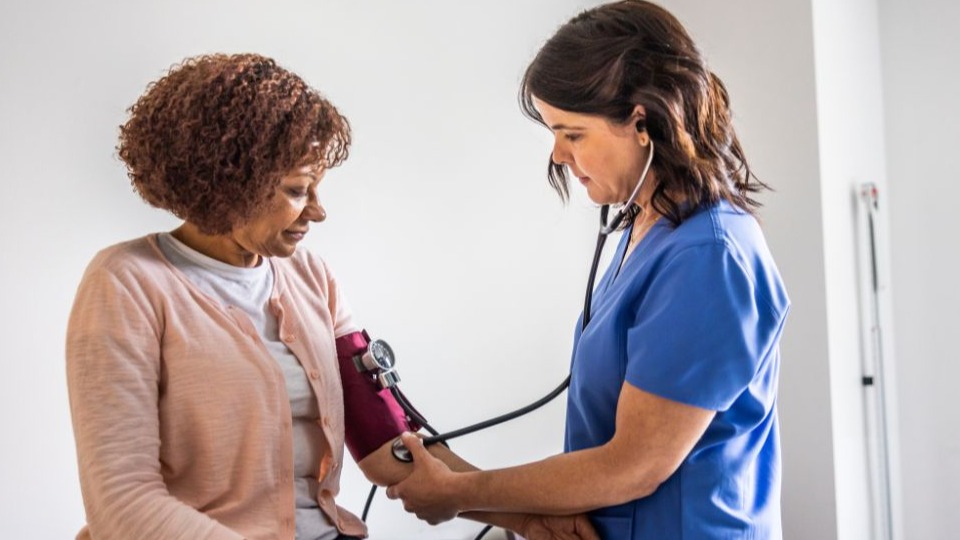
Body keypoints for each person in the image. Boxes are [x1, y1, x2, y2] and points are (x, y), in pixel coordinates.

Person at [65, 53, 598, 540]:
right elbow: (123, 505)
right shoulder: (126, 284)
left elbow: (386, 442)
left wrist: (526, 519)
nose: (317, 212)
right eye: (298, 190)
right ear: (229, 183)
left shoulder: (311, 278)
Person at [386, 1, 790, 538]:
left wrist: (461, 494)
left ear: (644, 123)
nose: (557, 154)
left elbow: (633, 464)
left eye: (572, 134)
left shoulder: (707, 255)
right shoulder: (644, 231)